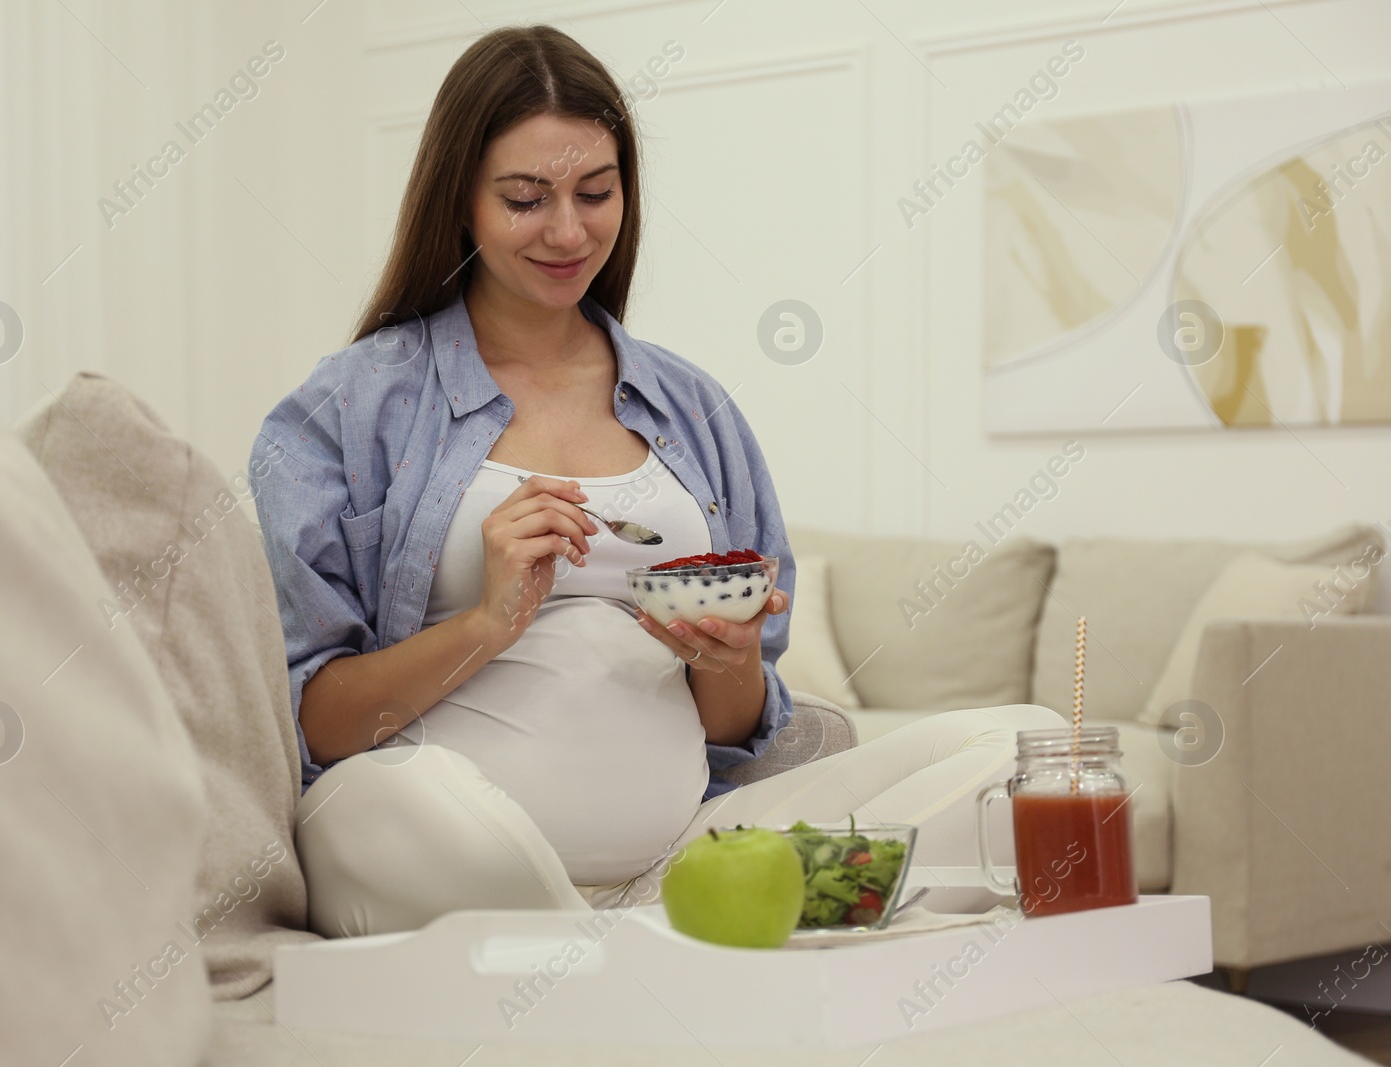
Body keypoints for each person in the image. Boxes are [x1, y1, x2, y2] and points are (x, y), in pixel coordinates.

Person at [250, 24, 1065, 937]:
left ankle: (629, 934)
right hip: (425, 838)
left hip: (680, 854)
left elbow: (733, 730)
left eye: (596, 193)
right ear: (462, 201)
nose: (568, 230)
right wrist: (488, 621)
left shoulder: (692, 408)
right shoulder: (348, 409)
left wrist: (732, 659)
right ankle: (681, 941)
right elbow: (318, 725)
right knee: (398, 800)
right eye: (526, 199)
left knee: (1025, 747)